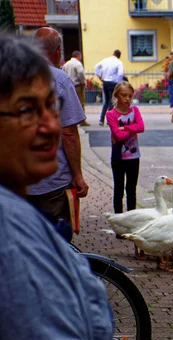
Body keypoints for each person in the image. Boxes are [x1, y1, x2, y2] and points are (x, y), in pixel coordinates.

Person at [0, 33, 115, 340]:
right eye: (26, 110)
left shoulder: (20, 217)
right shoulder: (10, 233)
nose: (49, 124)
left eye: (50, 106)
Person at [27, 27, 89, 232]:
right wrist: (78, 175)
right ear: (58, 52)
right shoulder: (59, 79)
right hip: (51, 181)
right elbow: (69, 133)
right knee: (55, 246)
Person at [106, 81, 144, 215]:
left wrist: (125, 127)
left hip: (133, 157)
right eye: (124, 95)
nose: (127, 99)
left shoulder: (135, 111)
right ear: (116, 95)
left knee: (131, 189)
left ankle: (131, 218)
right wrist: (131, 129)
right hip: (119, 157)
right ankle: (118, 219)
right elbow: (118, 135)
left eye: (130, 96)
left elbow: (141, 127)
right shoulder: (111, 114)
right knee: (118, 189)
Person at [95, 49, 124, 126]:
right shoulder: (119, 62)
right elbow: (121, 74)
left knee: (106, 101)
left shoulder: (105, 60)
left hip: (105, 82)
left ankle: (101, 119)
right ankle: (109, 120)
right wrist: (119, 82)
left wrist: (100, 76)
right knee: (112, 101)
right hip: (113, 83)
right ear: (119, 56)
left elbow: (96, 67)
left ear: (113, 53)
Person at [62, 50, 90, 126]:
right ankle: (82, 121)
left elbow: (63, 73)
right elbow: (80, 73)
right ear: (78, 56)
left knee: (70, 103)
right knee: (80, 103)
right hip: (77, 85)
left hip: (68, 85)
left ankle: (71, 121)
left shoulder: (66, 64)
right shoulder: (77, 63)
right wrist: (83, 82)